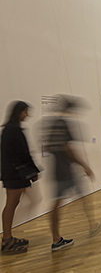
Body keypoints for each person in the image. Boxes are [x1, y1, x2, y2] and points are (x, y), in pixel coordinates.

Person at [46, 96, 101, 252]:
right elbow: (68, 148)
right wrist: (85, 166)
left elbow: (48, 146)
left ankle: (56, 239)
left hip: (58, 169)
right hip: (66, 170)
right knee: (81, 196)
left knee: (59, 203)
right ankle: (92, 226)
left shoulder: (53, 124)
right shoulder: (63, 124)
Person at [1, 101, 40, 254]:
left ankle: (8, 238)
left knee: (12, 204)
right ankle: (6, 241)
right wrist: (33, 171)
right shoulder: (14, 130)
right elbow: (23, 154)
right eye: (26, 112)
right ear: (19, 112)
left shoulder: (8, 129)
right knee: (11, 205)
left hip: (12, 174)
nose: (27, 115)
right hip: (15, 175)